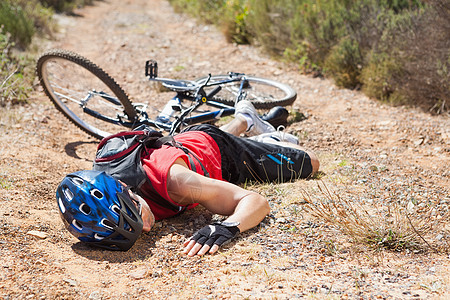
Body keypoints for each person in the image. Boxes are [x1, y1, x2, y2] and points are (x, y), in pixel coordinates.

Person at [56, 101, 319, 256]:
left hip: (222, 153)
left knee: (311, 162)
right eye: (134, 231)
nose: (146, 228)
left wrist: (226, 228)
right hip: (186, 142)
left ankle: (263, 137)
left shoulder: (177, 183)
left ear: (126, 188)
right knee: (203, 141)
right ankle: (244, 119)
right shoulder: (102, 187)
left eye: (136, 213)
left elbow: (255, 200)